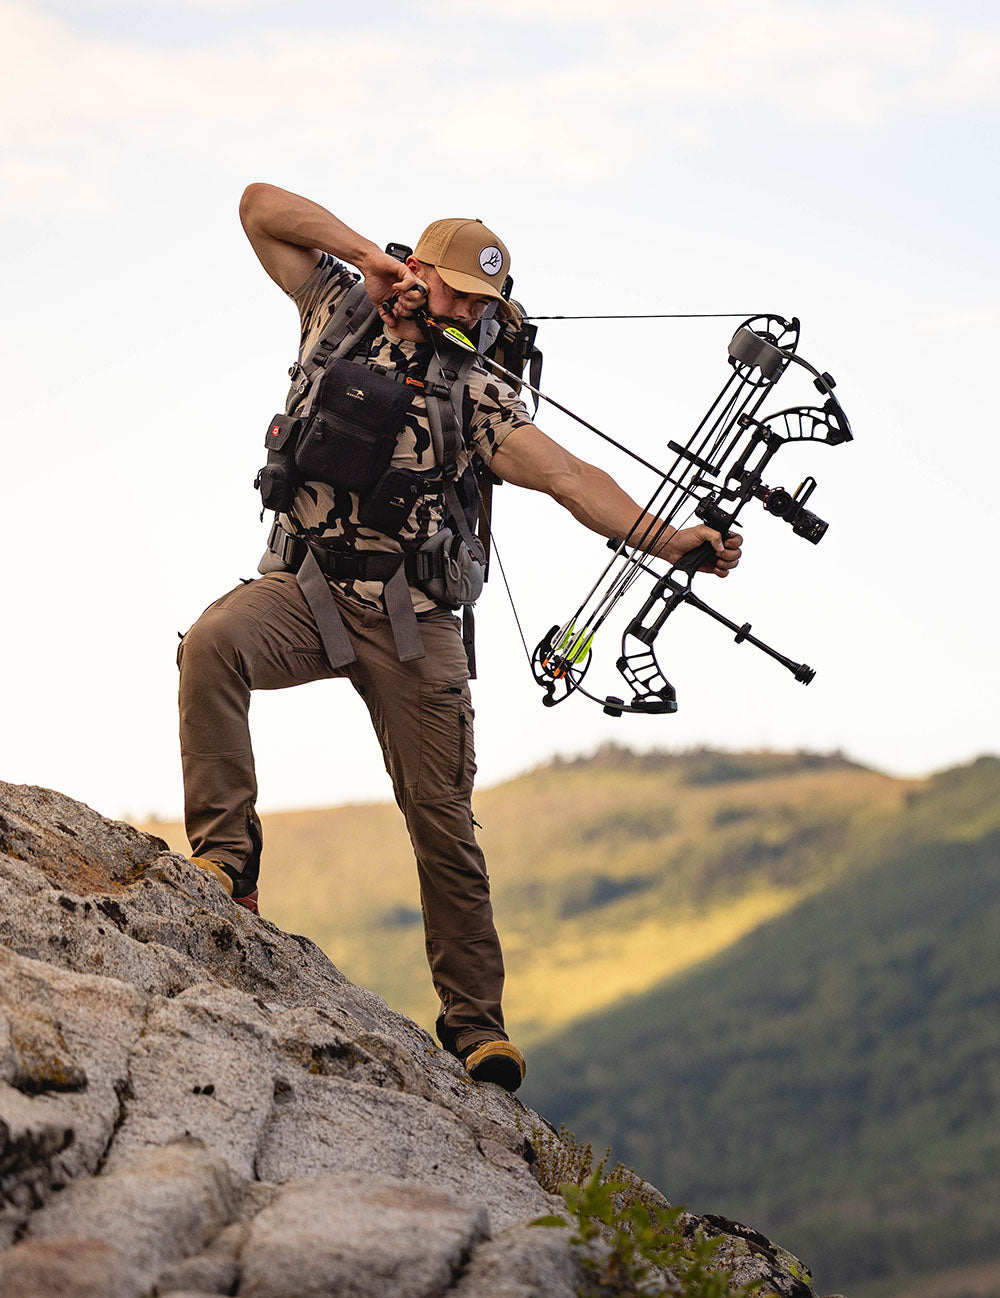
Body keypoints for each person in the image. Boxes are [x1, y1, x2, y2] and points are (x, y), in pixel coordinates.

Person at [177, 183, 742, 1092]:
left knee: (443, 823)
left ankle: (476, 1029)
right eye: (456, 293)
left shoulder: (479, 392)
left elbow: (565, 474)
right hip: (307, 589)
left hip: (411, 623)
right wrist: (366, 255)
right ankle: (226, 860)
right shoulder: (336, 306)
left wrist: (670, 539)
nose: (469, 313)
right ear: (419, 274)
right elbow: (253, 206)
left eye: (486, 304)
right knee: (212, 645)